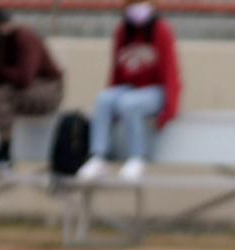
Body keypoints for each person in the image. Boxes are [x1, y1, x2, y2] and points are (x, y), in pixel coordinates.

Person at [77, 0, 181, 182]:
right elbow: (116, 72)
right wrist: (111, 107)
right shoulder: (122, 32)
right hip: (130, 88)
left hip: (155, 90)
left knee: (129, 103)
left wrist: (169, 111)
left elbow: (171, 72)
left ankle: (137, 157)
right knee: (103, 99)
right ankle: (98, 156)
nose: (137, 9)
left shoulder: (161, 30)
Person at [0, 9, 63, 170]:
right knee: (0, 93)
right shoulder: (0, 41)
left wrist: (0, 71)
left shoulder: (25, 38)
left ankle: (5, 149)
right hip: (20, 90)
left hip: (48, 90)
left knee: (1, 94)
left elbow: (24, 78)